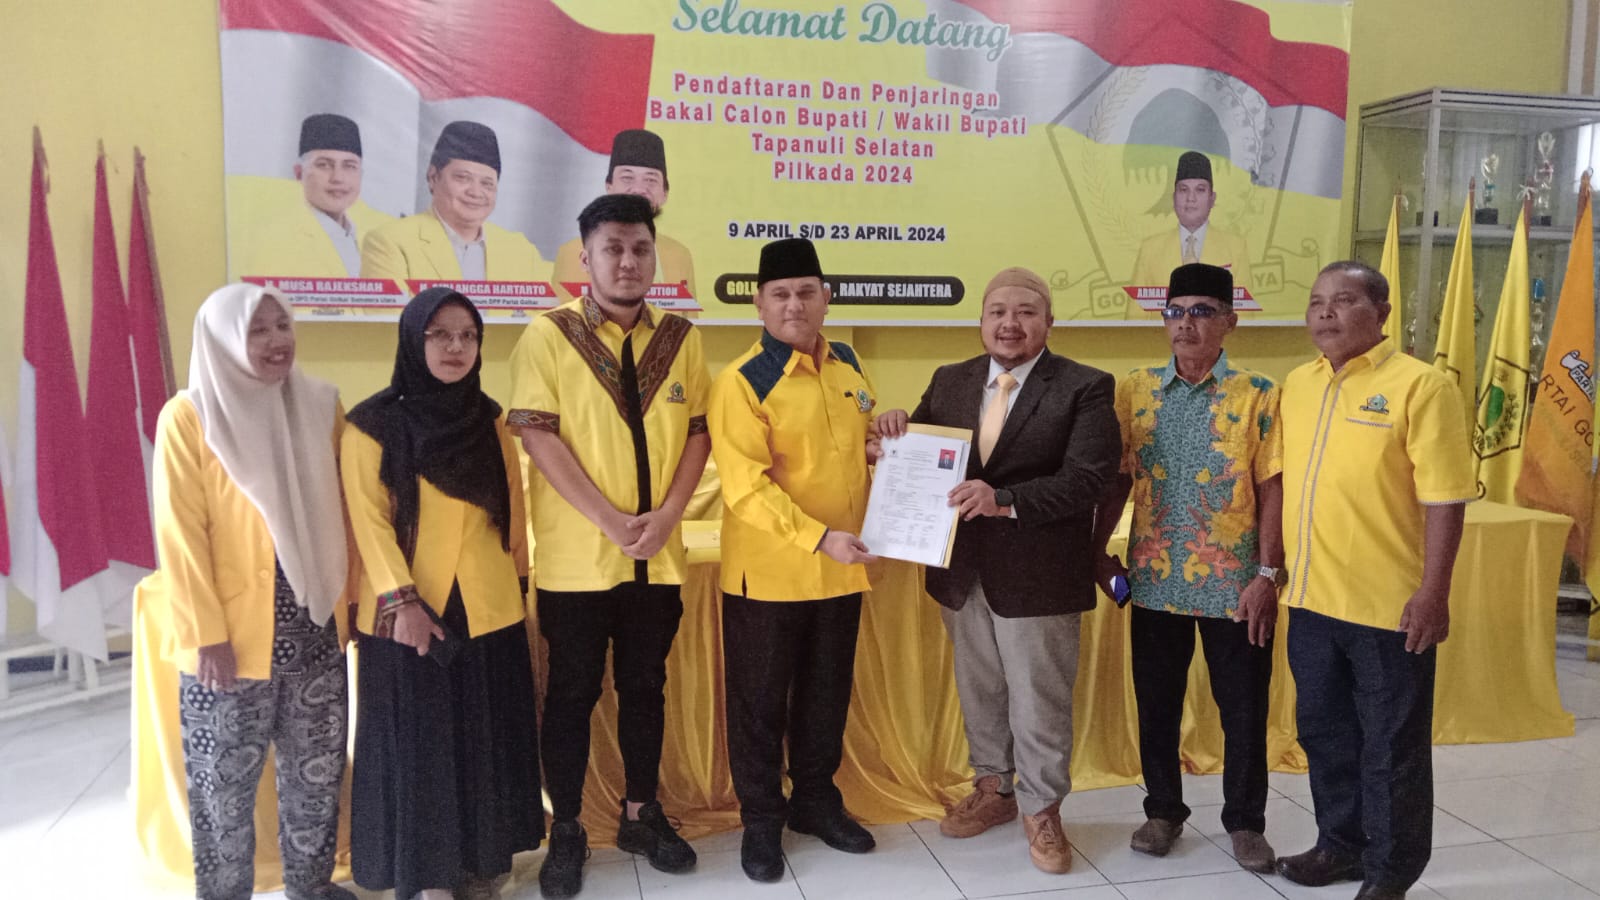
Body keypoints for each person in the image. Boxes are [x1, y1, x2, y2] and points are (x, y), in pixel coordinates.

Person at [875, 267, 1120, 875]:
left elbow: (1088, 478)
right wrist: (894, 434)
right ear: (981, 321)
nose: (1010, 324)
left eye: (1025, 312)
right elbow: (927, 451)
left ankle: (1043, 809)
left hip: (1040, 574)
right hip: (962, 571)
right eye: (998, 312)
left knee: (1039, 698)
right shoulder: (951, 379)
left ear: (1049, 322)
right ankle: (993, 789)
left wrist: (1004, 499)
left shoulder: (1085, 386)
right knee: (979, 687)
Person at [507, 193, 709, 898]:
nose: (628, 261)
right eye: (613, 248)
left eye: (640, 248)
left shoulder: (681, 337)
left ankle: (640, 814)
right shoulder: (548, 335)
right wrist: (610, 520)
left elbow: (699, 434)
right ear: (585, 256)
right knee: (571, 693)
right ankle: (567, 828)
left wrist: (669, 514)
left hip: (658, 557)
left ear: (654, 255)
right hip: (578, 564)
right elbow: (537, 436)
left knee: (646, 687)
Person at [143, 283, 355, 900]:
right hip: (229, 645)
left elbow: (346, 513)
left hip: (314, 630)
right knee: (222, 789)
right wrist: (204, 634)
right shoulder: (190, 416)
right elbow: (181, 534)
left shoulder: (321, 405)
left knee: (316, 776)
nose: (275, 341)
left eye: (281, 325)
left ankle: (310, 888)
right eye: (257, 329)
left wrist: (355, 608)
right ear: (223, 340)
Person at [1274, 261, 1473, 900]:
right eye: (1316, 302)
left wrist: (1434, 592)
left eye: (1344, 300)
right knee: (1326, 736)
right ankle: (1340, 847)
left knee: (1392, 749)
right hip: (1310, 601)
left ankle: (1391, 872)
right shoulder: (1297, 384)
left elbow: (1446, 498)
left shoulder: (1421, 386)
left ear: (1382, 313)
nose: (1326, 313)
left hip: (1389, 609)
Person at [343, 288, 543, 900]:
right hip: (409, 612)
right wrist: (400, 602)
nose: (456, 347)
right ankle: (428, 876)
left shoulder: (489, 419)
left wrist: (519, 589)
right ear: (413, 340)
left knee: (483, 739)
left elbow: (512, 508)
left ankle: (480, 862)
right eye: (440, 335)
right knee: (420, 746)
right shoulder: (372, 424)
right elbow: (367, 522)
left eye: (468, 336)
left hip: (487, 607)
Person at [1092, 263, 1283, 872]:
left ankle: (1246, 822)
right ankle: (1163, 812)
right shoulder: (1136, 390)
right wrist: (1097, 549)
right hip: (1154, 579)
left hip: (1236, 585)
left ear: (1230, 321)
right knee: (1157, 704)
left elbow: (1273, 488)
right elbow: (1118, 478)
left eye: (1202, 311)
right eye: (1175, 312)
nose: (1186, 324)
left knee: (1243, 709)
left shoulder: (1258, 393)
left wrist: (1268, 575)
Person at [708, 237, 881, 883]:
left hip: (840, 570)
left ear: (826, 298)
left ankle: (814, 801)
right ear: (758, 304)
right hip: (769, 577)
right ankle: (761, 820)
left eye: (806, 291)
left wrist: (882, 441)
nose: (794, 304)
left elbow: (855, 448)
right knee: (760, 706)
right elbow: (746, 488)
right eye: (779, 294)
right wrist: (819, 537)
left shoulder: (848, 364)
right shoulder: (743, 381)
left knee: (825, 696)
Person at [361, 120, 548, 285]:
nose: (475, 192)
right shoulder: (390, 242)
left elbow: (545, 313)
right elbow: (391, 315)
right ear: (433, 177)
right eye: (463, 178)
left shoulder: (520, 250)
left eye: (487, 183)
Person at [236, 114, 389, 278]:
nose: (338, 178)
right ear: (299, 173)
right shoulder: (274, 240)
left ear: (361, 175)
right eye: (324, 165)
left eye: (349, 166)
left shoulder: (375, 236)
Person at [551, 129, 697, 301]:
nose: (639, 189)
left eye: (650, 180)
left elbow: (687, 317)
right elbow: (565, 315)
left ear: (664, 193)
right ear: (609, 187)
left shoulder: (678, 255)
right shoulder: (572, 253)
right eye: (627, 178)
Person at [1130, 151, 1254, 295]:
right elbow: (1135, 309)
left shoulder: (1235, 249)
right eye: (1183, 190)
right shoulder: (1150, 250)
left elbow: (1243, 308)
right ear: (1174, 198)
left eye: (1200, 190)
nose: (1191, 198)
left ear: (1212, 198)